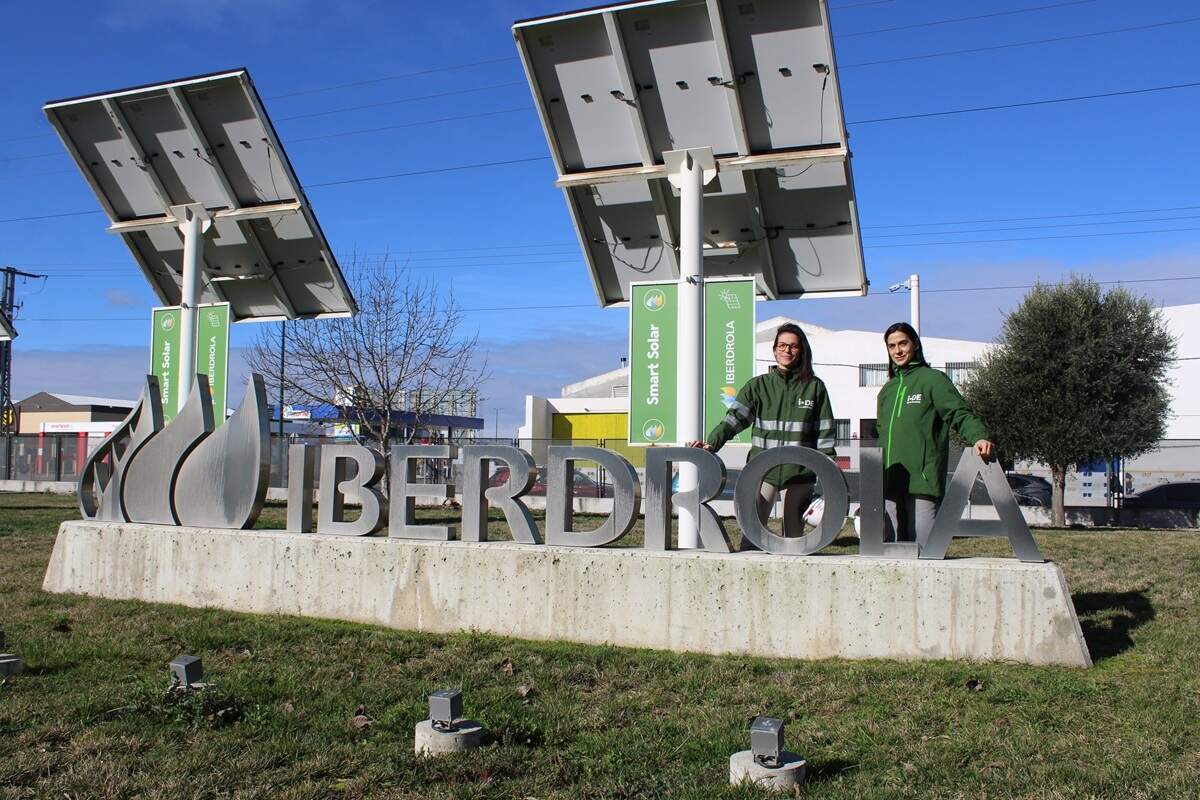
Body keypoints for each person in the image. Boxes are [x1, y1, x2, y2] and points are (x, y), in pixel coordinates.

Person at [689, 323, 836, 548]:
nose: (787, 350)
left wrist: (830, 472)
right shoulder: (759, 386)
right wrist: (711, 443)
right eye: (782, 345)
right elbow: (733, 421)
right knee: (751, 534)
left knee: (794, 540)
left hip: (799, 476)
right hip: (762, 472)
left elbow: (825, 433)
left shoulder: (815, 388)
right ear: (775, 349)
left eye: (794, 346)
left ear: (802, 351)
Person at [876, 322, 995, 546]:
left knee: (925, 549)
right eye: (892, 346)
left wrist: (978, 436)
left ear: (915, 345)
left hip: (922, 481)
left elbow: (960, 413)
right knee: (891, 550)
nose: (898, 351)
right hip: (889, 483)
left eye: (903, 343)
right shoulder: (887, 391)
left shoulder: (933, 380)